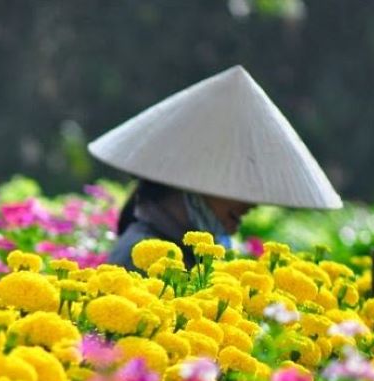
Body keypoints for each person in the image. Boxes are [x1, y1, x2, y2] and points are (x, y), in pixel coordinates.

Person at [88, 65, 342, 270]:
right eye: (236, 181)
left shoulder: (182, 251)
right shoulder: (142, 254)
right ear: (196, 179)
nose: (252, 204)